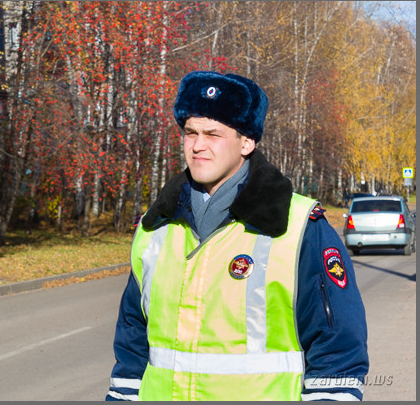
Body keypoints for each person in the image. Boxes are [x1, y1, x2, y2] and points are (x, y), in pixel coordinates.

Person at [106, 71, 368, 401]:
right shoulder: (154, 227)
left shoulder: (299, 226)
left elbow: (338, 353)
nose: (197, 146)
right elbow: (132, 349)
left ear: (246, 141)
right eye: (190, 133)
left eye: (213, 134)